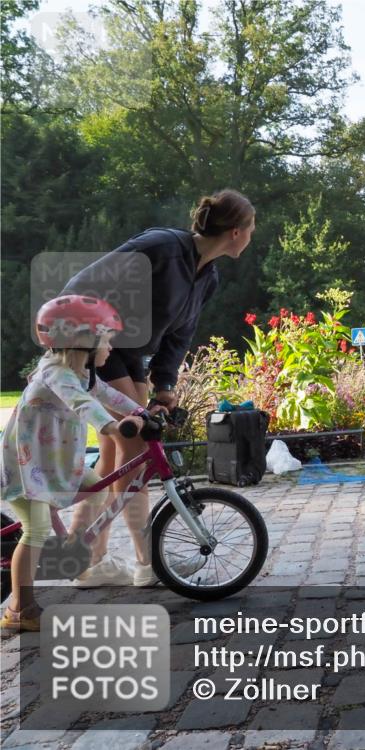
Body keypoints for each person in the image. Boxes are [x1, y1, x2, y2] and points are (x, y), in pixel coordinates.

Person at [61, 189, 256, 586]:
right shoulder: (162, 247)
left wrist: (165, 383)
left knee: (118, 453)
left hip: (134, 357)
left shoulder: (208, 276)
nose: (253, 236)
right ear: (237, 231)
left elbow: (179, 335)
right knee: (138, 447)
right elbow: (81, 283)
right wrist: (93, 339)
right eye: (252, 229)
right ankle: (146, 562)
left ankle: (85, 561)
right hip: (101, 347)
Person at [1, 296, 144, 631]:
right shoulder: (57, 373)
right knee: (34, 530)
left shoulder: (82, 373)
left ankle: (70, 545)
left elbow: (109, 396)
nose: (110, 347)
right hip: (26, 466)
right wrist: (111, 426)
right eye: (107, 340)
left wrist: (142, 413)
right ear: (84, 341)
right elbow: (82, 404)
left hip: (53, 464)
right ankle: (20, 610)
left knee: (97, 490)